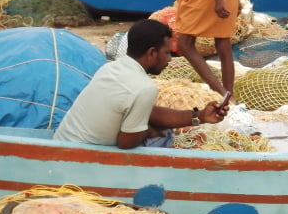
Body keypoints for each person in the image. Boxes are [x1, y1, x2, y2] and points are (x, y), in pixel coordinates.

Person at [54, 19, 228, 149]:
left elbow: (149, 112)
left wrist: (201, 116)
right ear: (152, 52)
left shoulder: (111, 68)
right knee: (164, 137)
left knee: (154, 126)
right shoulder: (144, 87)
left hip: (62, 143)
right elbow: (126, 143)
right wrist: (149, 130)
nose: (169, 60)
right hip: (83, 155)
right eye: (167, 53)